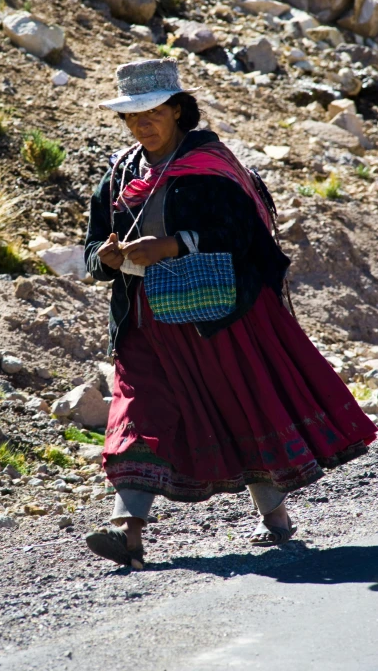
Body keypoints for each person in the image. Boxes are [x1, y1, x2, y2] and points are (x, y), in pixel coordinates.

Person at [84, 58, 377, 569]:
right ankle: (127, 532)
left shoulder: (212, 169)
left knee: (237, 404)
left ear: (177, 110)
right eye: (131, 117)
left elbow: (247, 240)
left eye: (151, 112)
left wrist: (173, 245)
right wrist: (106, 258)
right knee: (136, 410)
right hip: (143, 322)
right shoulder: (119, 174)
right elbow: (90, 250)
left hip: (216, 316)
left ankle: (276, 518)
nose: (141, 124)